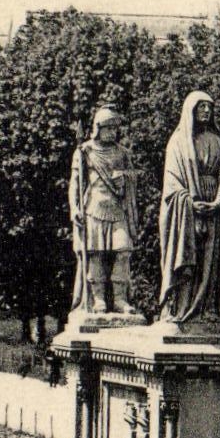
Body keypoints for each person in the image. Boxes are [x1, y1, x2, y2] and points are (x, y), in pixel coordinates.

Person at [159, 91, 220, 328]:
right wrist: (190, 202)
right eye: (201, 108)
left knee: (210, 262)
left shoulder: (217, 142)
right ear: (191, 110)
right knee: (188, 258)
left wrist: (217, 202)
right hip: (186, 210)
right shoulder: (178, 142)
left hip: (212, 210)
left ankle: (207, 308)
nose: (206, 112)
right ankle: (181, 307)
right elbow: (171, 181)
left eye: (209, 108)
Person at [69, 105, 139, 316]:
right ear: (98, 128)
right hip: (94, 209)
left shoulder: (123, 153)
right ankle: (98, 299)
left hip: (117, 209)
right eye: (108, 128)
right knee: (96, 254)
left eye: (115, 128)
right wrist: (74, 209)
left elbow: (132, 177)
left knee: (123, 251)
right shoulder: (84, 152)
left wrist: (125, 178)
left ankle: (119, 299)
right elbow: (75, 183)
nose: (113, 132)